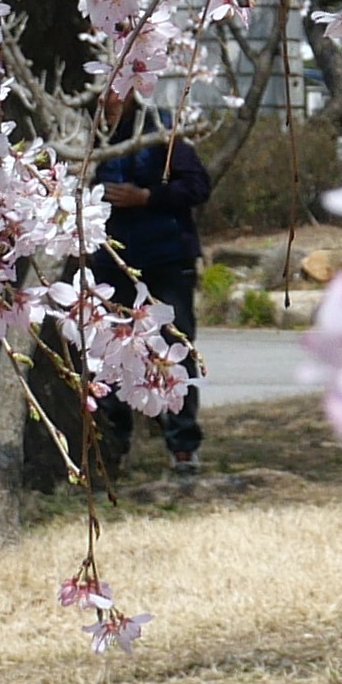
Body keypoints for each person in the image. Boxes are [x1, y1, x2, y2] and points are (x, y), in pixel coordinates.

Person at [86, 107, 215, 475]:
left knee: (175, 347)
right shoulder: (83, 129)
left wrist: (146, 196)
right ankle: (113, 442)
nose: (112, 94)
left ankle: (183, 444)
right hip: (110, 262)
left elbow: (197, 186)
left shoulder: (160, 127)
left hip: (166, 258)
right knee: (109, 351)